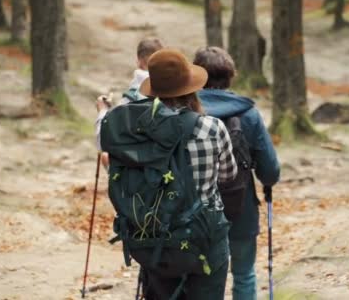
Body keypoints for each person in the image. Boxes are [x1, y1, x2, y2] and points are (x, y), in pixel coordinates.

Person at [101, 48, 237, 299]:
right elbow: (228, 175)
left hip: (154, 240)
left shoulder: (136, 132)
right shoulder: (211, 127)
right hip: (204, 238)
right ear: (190, 87)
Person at [194, 46, 280, 300]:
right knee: (244, 274)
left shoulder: (187, 112)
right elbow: (270, 170)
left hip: (196, 214)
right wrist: (266, 180)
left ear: (197, 76)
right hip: (241, 208)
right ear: (230, 77)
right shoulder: (249, 114)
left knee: (205, 277)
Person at [95, 37, 163, 162]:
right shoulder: (173, 96)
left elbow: (102, 142)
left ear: (138, 61)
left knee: (107, 157)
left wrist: (103, 111)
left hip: (133, 171)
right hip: (166, 172)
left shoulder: (129, 100)